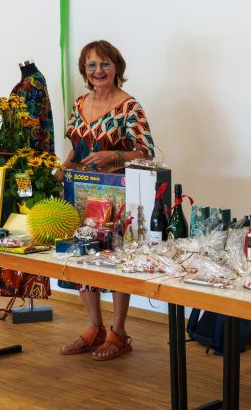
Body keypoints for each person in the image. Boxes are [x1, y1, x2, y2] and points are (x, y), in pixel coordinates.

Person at [59, 40, 154, 361]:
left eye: (104, 64)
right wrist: (60, 172)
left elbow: (146, 152)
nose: (98, 71)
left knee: (116, 262)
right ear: (84, 70)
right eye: (91, 65)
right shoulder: (79, 103)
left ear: (117, 67)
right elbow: (76, 149)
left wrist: (113, 155)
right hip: (81, 194)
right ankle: (94, 328)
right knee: (84, 257)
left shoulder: (129, 107)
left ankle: (119, 332)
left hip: (117, 197)